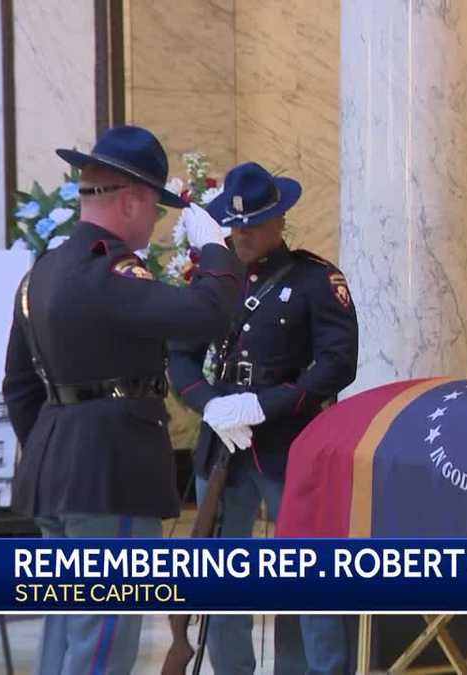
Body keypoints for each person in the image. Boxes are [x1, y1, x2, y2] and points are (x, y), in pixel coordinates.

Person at [2, 125, 243, 674]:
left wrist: (57, 448)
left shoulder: (40, 273)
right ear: (132, 200)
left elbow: (19, 386)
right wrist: (214, 248)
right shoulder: (111, 271)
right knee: (104, 641)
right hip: (109, 476)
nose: (154, 221)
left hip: (54, 474)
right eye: (155, 208)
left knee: (65, 631)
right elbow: (209, 311)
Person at [169, 161, 359, 674]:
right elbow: (180, 355)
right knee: (221, 577)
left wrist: (263, 404)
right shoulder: (214, 281)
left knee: (305, 575)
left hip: (292, 441)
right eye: (235, 226)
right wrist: (209, 402)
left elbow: (338, 363)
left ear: (279, 222)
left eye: (254, 225)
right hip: (224, 441)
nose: (243, 235)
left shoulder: (317, 279)